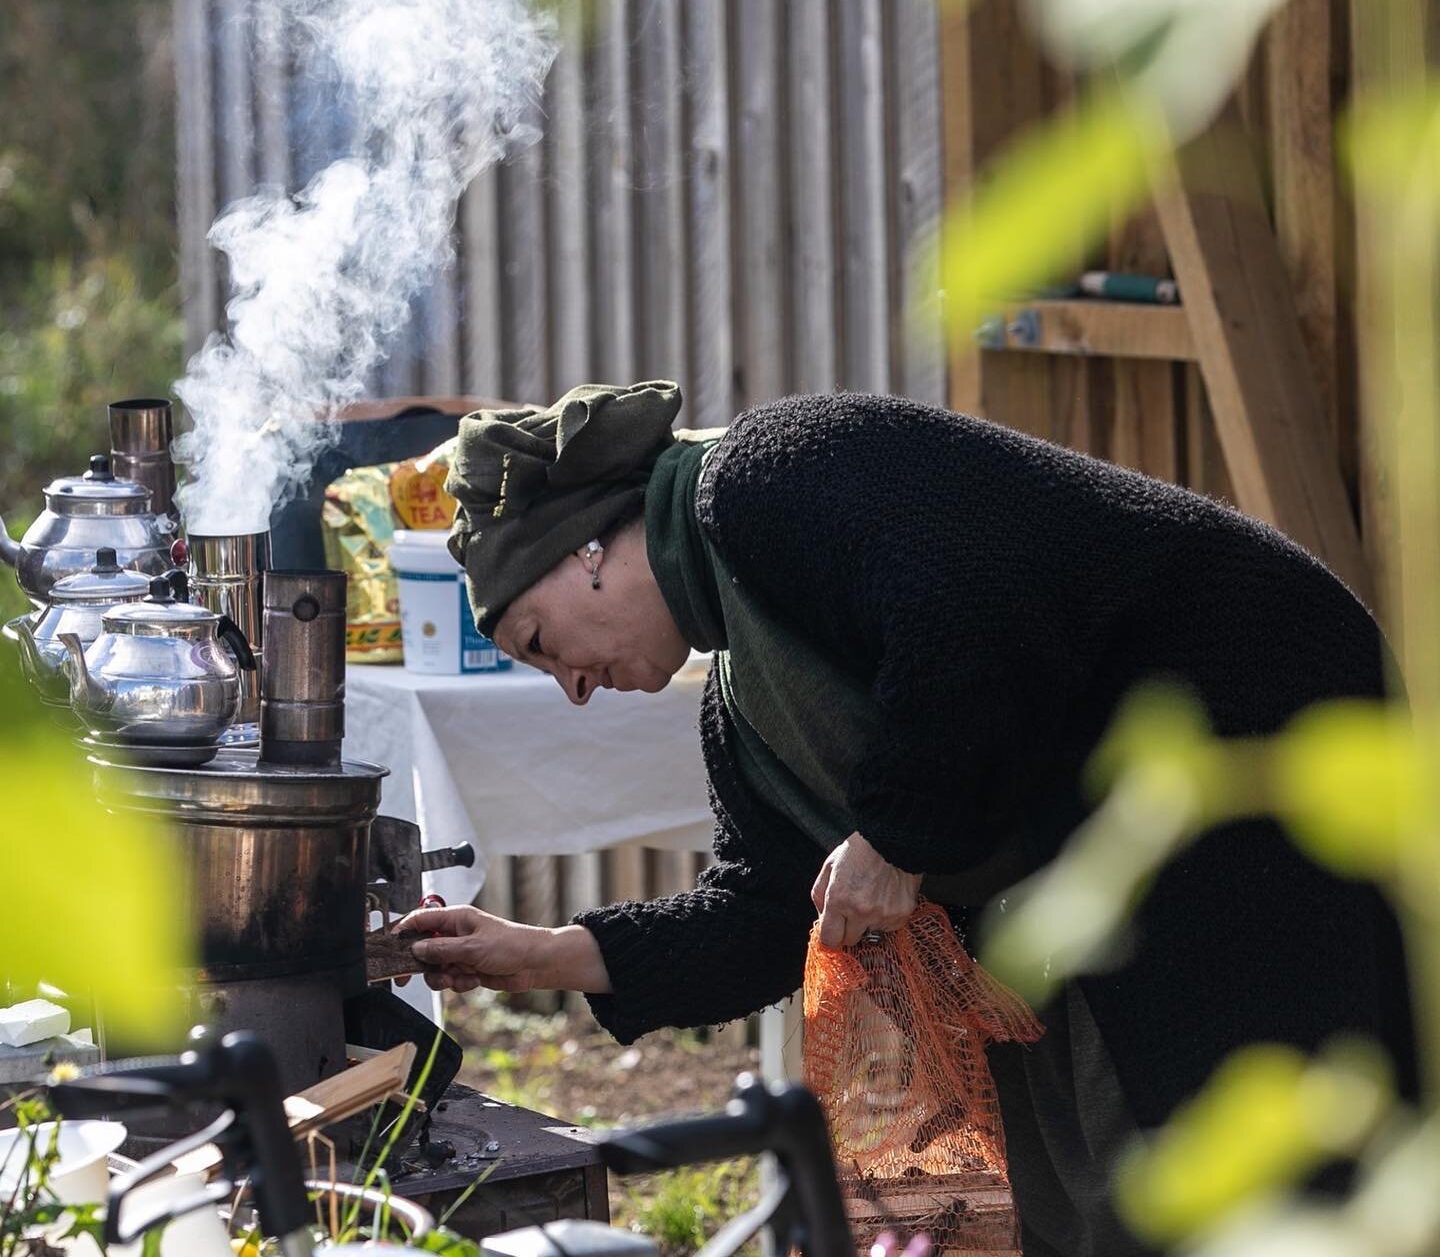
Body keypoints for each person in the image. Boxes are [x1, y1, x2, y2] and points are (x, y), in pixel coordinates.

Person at [397, 379, 1414, 1257]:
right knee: (1067, 1193)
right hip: (1091, 841)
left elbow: (970, 616)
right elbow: (772, 913)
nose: (568, 686)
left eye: (538, 642)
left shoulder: (771, 474)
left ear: (584, 554)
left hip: (1238, 725)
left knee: (1217, 1171)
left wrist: (891, 839)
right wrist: (539, 954)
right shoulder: (740, 706)